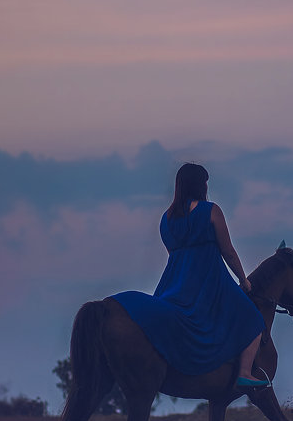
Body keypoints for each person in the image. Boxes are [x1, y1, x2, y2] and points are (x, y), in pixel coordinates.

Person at [111, 163, 269, 387]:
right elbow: (228, 251)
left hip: (174, 283)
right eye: (205, 182)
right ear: (200, 185)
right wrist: (243, 280)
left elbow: (173, 254)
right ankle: (244, 372)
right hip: (209, 281)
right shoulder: (211, 210)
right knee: (253, 318)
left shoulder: (166, 219)